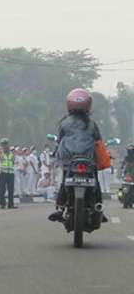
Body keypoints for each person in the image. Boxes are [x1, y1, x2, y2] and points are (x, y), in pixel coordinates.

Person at [49, 89, 104, 222]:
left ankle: (60, 209)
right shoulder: (91, 124)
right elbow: (98, 141)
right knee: (95, 181)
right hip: (88, 160)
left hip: (68, 161)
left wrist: (56, 153)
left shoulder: (64, 123)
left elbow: (59, 140)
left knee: (64, 182)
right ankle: (99, 206)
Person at [0, 139, 17, 209]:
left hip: (10, 173)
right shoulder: (0, 153)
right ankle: (2, 204)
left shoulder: (11, 154)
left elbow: (13, 162)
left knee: (11, 190)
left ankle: (11, 204)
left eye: (6, 144)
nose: (5, 146)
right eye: (3, 144)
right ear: (2, 145)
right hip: (2, 173)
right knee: (2, 189)